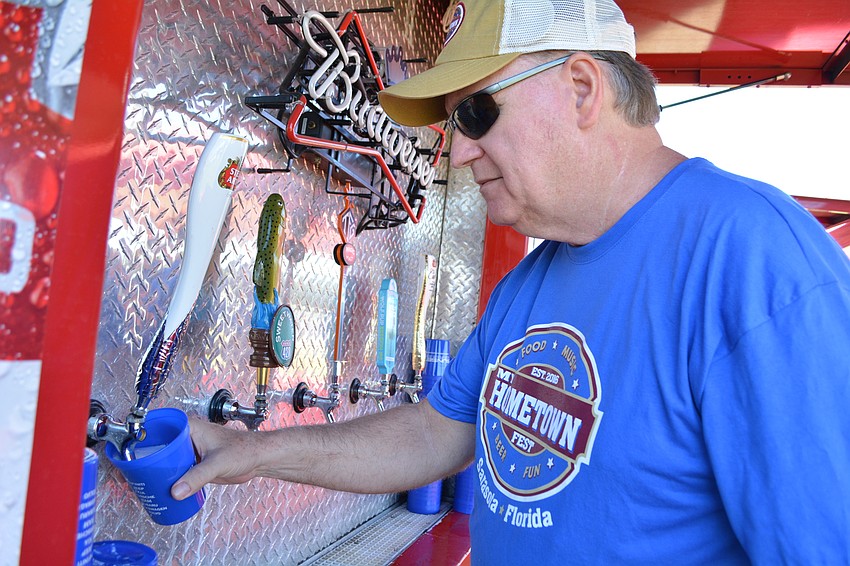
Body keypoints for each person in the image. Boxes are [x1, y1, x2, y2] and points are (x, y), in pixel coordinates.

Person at [172, 0, 850, 562]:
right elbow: (435, 432)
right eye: (453, 124)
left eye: (476, 113)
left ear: (582, 88)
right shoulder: (531, 279)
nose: (461, 150)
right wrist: (256, 452)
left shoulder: (753, 257)